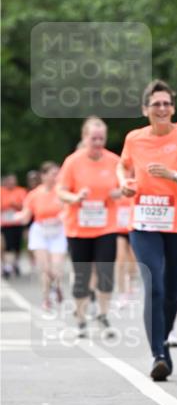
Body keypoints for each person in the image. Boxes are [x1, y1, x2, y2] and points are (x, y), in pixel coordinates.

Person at [117, 79, 177, 380]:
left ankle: (163, 338)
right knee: (154, 284)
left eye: (167, 103)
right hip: (143, 223)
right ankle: (158, 353)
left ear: (173, 108)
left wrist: (172, 175)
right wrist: (124, 183)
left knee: (171, 291)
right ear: (146, 109)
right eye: (157, 104)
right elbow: (123, 167)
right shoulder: (134, 139)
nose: (163, 108)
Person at [57, 117, 121, 339]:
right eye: (93, 138)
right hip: (78, 228)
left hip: (106, 226)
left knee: (105, 273)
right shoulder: (73, 162)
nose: (97, 142)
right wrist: (75, 197)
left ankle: (103, 315)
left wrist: (119, 192)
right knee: (82, 274)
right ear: (84, 138)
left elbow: (127, 185)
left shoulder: (114, 160)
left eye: (101, 138)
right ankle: (81, 319)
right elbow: (61, 191)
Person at [16, 162, 67, 310]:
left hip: (57, 232)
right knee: (45, 268)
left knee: (56, 268)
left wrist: (63, 216)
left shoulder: (62, 192)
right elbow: (26, 216)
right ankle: (46, 299)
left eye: (58, 174)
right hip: (40, 232)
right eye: (53, 174)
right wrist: (18, 216)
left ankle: (56, 285)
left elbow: (69, 209)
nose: (56, 177)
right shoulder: (34, 194)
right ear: (43, 176)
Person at [1, 174, 27, 277]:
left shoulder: (21, 191)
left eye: (13, 181)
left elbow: (25, 206)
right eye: (10, 181)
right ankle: (7, 266)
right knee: (6, 246)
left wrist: (15, 205)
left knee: (16, 247)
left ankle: (15, 263)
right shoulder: (1, 191)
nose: (12, 183)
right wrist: (7, 205)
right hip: (5, 224)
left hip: (17, 223)